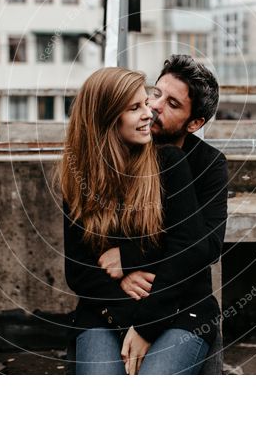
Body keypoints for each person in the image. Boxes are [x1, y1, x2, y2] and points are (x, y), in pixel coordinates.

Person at [62, 67, 218, 375]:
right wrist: (127, 303)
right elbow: (79, 270)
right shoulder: (79, 174)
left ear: (194, 122)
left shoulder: (171, 163)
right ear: (107, 118)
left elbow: (194, 247)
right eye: (140, 105)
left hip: (176, 309)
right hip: (105, 310)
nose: (151, 112)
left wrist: (145, 323)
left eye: (167, 104)